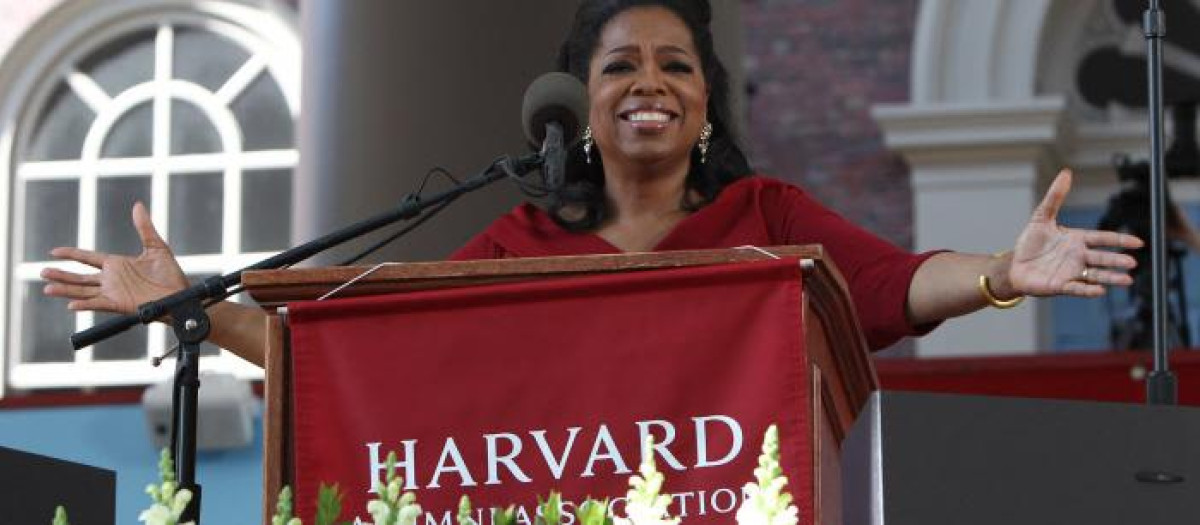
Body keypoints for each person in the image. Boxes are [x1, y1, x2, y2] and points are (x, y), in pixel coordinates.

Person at [41, 0, 1141, 365]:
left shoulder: (767, 219)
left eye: (676, 65)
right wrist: (193, 310)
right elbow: (360, 359)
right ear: (582, 99)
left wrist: (1004, 272)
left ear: (707, 99)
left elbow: (898, 285)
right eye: (621, 65)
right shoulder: (516, 239)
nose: (650, 83)